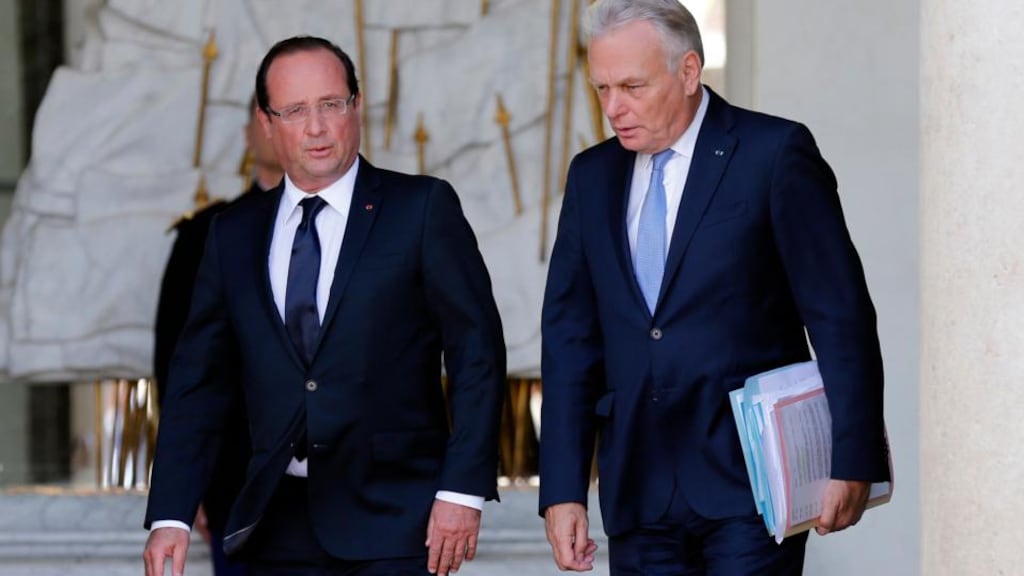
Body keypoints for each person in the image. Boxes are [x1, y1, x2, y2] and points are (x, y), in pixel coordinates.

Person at [538, 1, 890, 574]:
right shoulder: (591, 175)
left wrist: (852, 460)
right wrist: (562, 488)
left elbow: (840, 315)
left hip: (751, 485)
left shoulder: (773, 153)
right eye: (601, 88)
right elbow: (570, 340)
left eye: (631, 85)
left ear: (688, 71)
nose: (614, 108)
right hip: (638, 489)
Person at [143, 35, 506, 576]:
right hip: (273, 524)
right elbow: (198, 381)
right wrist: (169, 512)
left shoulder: (422, 209)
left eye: (330, 105)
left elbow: (477, 352)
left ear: (356, 108)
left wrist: (463, 489)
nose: (315, 128)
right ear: (267, 124)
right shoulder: (232, 235)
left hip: (400, 521)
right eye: (294, 111)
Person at [152, 95, 284, 576]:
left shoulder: (370, 225)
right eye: (268, 116)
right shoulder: (204, 234)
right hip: (238, 478)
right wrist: (189, 485)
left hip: (349, 484)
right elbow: (180, 368)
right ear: (251, 133)